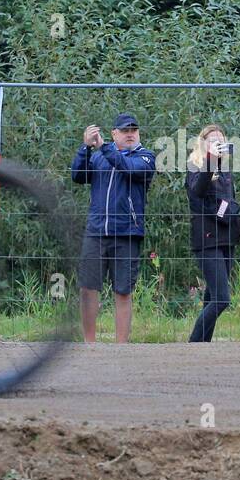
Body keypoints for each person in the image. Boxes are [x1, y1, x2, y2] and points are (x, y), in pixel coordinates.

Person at [70, 113, 155, 344]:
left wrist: (104, 148)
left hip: (127, 234)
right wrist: (85, 148)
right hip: (96, 232)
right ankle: (89, 344)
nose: (130, 134)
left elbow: (127, 167)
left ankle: (121, 347)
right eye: (125, 131)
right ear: (114, 134)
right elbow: (77, 176)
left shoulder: (146, 157)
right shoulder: (99, 157)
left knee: (123, 291)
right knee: (88, 289)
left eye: (134, 131)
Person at [186, 124, 240, 342]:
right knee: (222, 299)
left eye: (221, 140)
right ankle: (193, 343)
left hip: (226, 239)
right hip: (207, 239)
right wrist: (210, 160)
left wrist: (234, 215)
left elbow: (228, 201)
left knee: (211, 296)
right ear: (202, 144)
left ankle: (203, 345)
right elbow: (197, 193)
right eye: (212, 140)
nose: (218, 143)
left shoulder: (225, 170)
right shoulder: (195, 166)